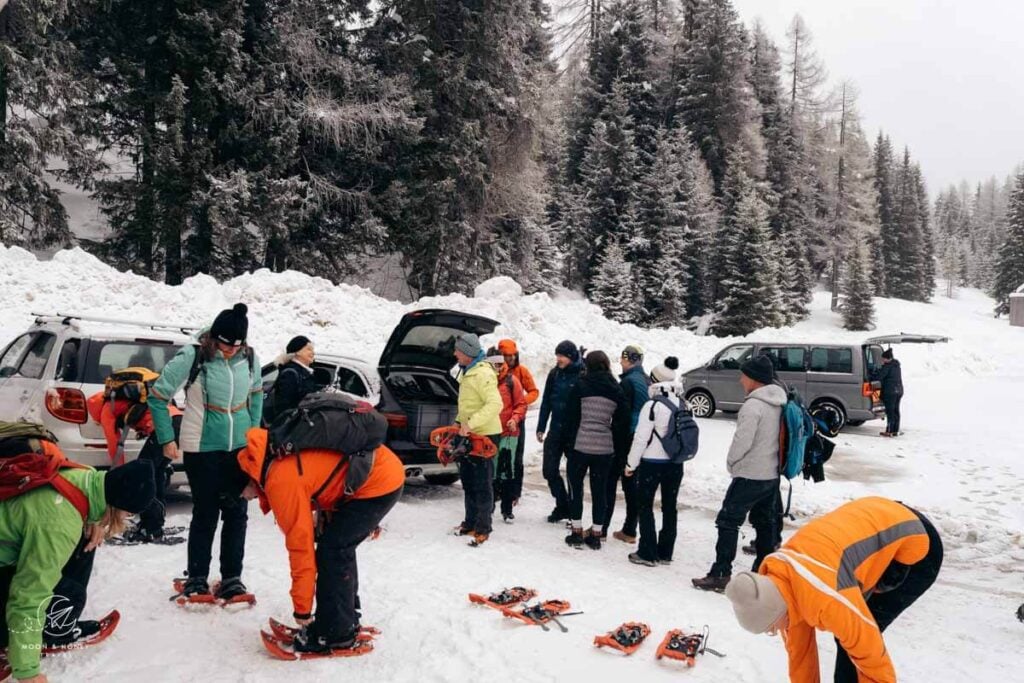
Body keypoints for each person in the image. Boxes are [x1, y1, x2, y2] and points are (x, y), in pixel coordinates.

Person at [724, 496, 943, 683]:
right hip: (881, 518)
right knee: (849, 634)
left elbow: (871, 654)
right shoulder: (780, 587)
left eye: (771, 628)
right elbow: (801, 657)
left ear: (777, 612)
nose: (775, 632)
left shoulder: (827, 597)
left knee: (856, 637)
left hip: (916, 543)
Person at [237, 427, 404, 654]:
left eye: (242, 495)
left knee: (333, 550)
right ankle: (344, 620)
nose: (246, 499)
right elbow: (319, 472)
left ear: (246, 481)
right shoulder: (270, 456)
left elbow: (300, 547)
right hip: (377, 470)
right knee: (336, 547)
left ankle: (336, 634)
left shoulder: (279, 479)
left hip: (378, 483)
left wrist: (302, 610)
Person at [1, 454, 155, 683]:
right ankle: (36, 633)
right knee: (52, 593)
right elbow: (29, 595)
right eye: (128, 513)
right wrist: (27, 672)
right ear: (118, 506)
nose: (127, 519)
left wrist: (94, 522)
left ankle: (46, 626)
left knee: (84, 546)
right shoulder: (58, 524)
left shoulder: (85, 476)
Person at [148, 303, 262, 600]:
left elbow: (257, 394)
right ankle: (197, 577)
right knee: (206, 512)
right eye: (225, 344)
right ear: (214, 336)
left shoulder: (249, 358)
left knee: (237, 513)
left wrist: (254, 437)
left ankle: (232, 578)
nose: (230, 350)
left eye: (236, 345)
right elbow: (158, 396)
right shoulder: (193, 355)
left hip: (238, 449)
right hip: (201, 447)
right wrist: (166, 439)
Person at [692, 355, 785, 592]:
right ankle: (763, 571)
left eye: (744, 375)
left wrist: (732, 462)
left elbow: (743, 440)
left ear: (754, 378)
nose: (741, 379)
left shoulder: (753, 405)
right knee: (765, 525)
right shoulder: (779, 401)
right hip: (770, 474)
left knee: (728, 522)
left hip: (749, 474)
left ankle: (721, 573)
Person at [85, 389, 183, 543]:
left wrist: (119, 475)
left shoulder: (105, 411)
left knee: (143, 477)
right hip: (177, 421)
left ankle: (151, 529)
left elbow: (115, 446)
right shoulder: (117, 401)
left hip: (165, 427)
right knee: (155, 474)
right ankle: (154, 524)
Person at [561, 351, 630, 550]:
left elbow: (570, 417)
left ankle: (576, 531)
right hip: (604, 449)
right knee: (600, 491)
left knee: (576, 488)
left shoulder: (581, 385)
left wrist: (568, 443)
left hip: (580, 446)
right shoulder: (616, 389)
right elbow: (622, 422)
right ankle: (596, 534)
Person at [623, 357, 683, 567]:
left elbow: (641, 438)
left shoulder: (652, 405)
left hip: (652, 462)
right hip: (675, 463)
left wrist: (631, 464)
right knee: (669, 506)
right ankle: (666, 551)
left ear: (655, 380)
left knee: (645, 505)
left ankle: (647, 552)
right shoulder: (683, 402)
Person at [452, 333, 503, 546]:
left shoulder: (482, 374)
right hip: (469, 434)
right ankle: (470, 521)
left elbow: (495, 404)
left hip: (485, 435)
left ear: (467, 353)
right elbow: (467, 404)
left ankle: (483, 527)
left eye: (458, 351)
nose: (454, 353)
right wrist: (458, 422)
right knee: (468, 480)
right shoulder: (467, 371)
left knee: (482, 483)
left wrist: (470, 424)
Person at [605, 344, 650, 543]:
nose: (620, 363)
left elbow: (622, 413)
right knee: (632, 484)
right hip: (642, 437)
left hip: (626, 437)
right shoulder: (646, 380)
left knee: (612, 481)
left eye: (623, 359)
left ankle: (602, 526)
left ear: (628, 360)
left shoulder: (628, 383)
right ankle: (630, 529)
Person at [536, 340, 583, 523]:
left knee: (573, 474)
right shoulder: (554, 374)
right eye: (557, 355)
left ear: (571, 356)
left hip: (574, 432)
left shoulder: (582, 374)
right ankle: (562, 504)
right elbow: (546, 401)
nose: (558, 359)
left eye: (562, 356)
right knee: (549, 470)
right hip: (555, 430)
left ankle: (573, 511)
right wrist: (541, 426)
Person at [485, 348, 528, 523]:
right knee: (491, 471)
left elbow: (521, 404)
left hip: (509, 433)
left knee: (507, 471)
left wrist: (515, 419)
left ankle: (507, 509)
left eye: (498, 364)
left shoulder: (512, 381)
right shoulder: (485, 379)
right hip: (489, 431)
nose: (496, 367)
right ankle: (490, 507)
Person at [497, 339, 539, 511]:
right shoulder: (495, 372)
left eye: (512, 356)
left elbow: (534, 391)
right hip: (499, 421)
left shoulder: (521, 371)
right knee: (499, 457)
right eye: (506, 356)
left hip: (517, 421)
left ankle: (515, 492)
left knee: (516, 458)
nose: (510, 359)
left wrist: (521, 402)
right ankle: (498, 489)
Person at [267, 335, 319, 421]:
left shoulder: (305, 372)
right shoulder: (290, 373)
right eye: (308, 349)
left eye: (313, 350)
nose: (313, 353)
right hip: (293, 427)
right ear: (297, 352)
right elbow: (284, 408)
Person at [872, 348, 904, 437]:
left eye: (883, 359)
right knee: (896, 411)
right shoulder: (896, 365)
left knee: (890, 412)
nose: (882, 360)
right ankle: (895, 430)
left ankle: (889, 431)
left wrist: (871, 375)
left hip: (890, 392)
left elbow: (879, 376)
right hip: (899, 390)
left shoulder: (887, 366)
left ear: (887, 358)